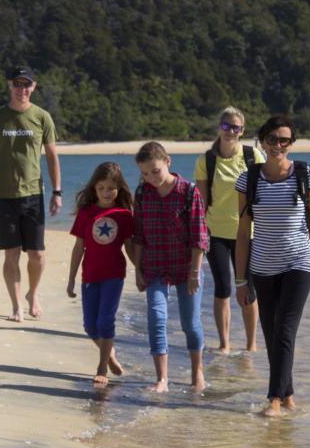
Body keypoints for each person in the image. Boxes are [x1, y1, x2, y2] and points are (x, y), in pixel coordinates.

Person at [234, 116, 310, 418]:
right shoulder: (248, 179)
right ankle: (288, 396)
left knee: (285, 329)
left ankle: (273, 399)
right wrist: (240, 280)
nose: (278, 145)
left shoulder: (305, 174)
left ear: (290, 144)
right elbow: (242, 230)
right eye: (273, 139)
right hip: (262, 266)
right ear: (262, 141)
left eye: (284, 140)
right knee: (271, 332)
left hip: (300, 263)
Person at [0, 66, 63, 322]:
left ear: (33, 87)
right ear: (10, 85)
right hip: (3, 195)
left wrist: (57, 191)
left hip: (33, 193)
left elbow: (53, 157)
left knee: (37, 254)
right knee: (11, 254)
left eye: (27, 85)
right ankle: (16, 306)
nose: (22, 89)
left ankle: (32, 294)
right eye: (18, 84)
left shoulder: (42, 117)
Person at [131, 141, 209, 393]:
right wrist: (138, 269)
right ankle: (162, 379)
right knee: (156, 318)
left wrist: (195, 273)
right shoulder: (143, 193)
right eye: (144, 173)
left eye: (155, 171)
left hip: (187, 268)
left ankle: (197, 372)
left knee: (190, 323)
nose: (150, 178)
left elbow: (199, 236)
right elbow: (139, 235)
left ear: (168, 162)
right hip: (154, 267)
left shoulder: (189, 192)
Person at [193, 107, 265, 354]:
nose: (230, 131)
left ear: (242, 131)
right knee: (223, 287)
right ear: (219, 128)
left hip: (249, 233)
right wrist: (198, 237)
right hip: (217, 233)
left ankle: (251, 344)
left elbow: (265, 190)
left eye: (235, 127)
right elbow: (201, 203)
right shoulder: (206, 160)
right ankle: (224, 344)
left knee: (248, 288)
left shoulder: (252, 156)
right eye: (226, 126)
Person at [66, 162, 136, 386]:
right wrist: (70, 280)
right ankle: (110, 354)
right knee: (90, 326)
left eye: (111, 188)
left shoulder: (124, 215)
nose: (107, 193)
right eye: (102, 188)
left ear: (119, 189)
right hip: (90, 275)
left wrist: (142, 272)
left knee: (106, 321)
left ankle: (101, 367)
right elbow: (78, 248)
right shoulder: (86, 213)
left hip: (114, 275)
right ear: (94, 189)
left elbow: (130, 247)